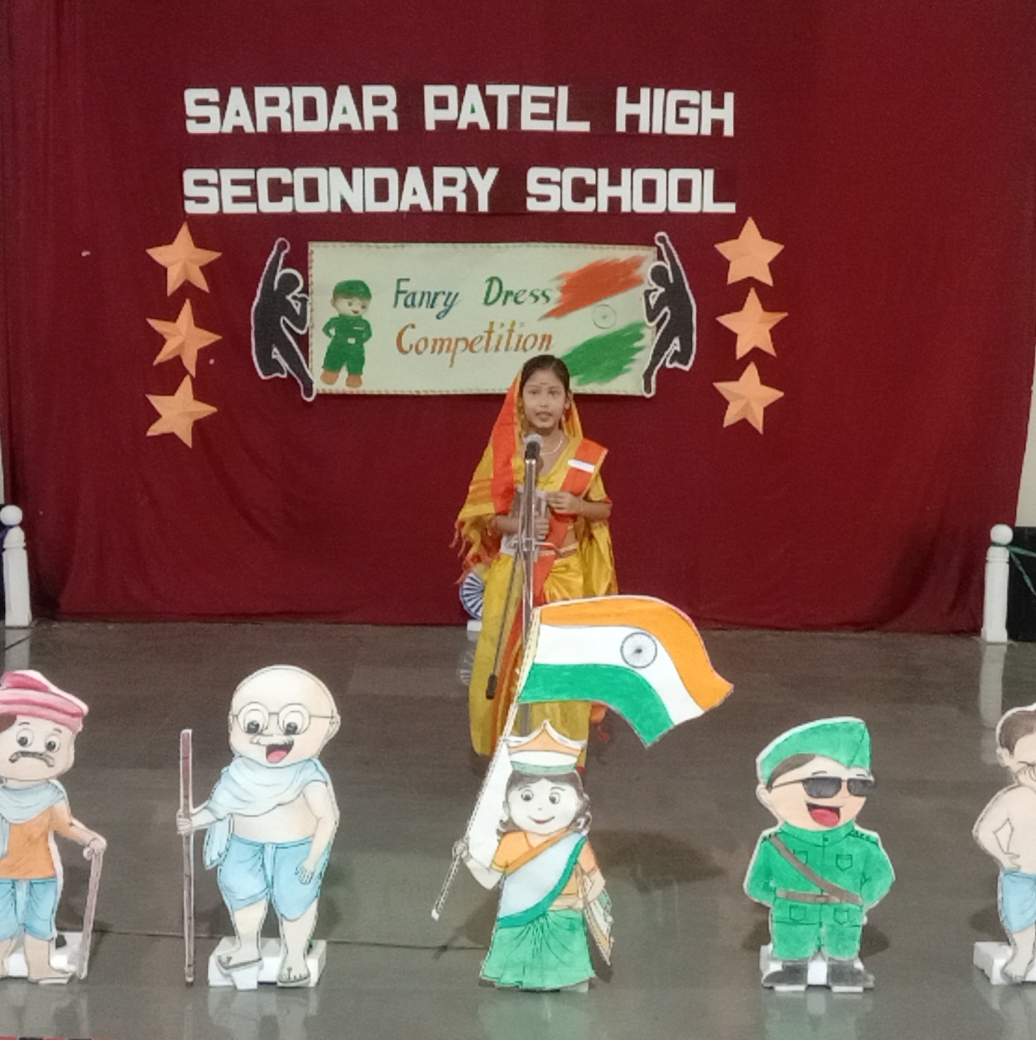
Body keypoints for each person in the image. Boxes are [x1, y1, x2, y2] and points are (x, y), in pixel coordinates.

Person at [456, 356, 616, 757]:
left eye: (553, 393)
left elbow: (604, 510)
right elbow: (485, 517)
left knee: (561, 663)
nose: (543, 402)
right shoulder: (506, 452)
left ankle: (559, 755)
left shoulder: (583, 454)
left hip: (565, 573)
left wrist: (577, 506)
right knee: (505, 658)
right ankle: (506, 752)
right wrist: (520, 525)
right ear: (520, 399)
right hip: (514, 573)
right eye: (534, 392)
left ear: (567, 401)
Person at [176, 666, 340, 986]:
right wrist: (193, 821)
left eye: (292, 724)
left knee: (295, 900)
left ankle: (294, 956)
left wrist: (312, 858)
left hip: (295, 848)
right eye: (254, 723)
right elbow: (219, 808)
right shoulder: (238, 774)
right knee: (242, 894)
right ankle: (247, 947)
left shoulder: (307, 775)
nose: (272, 735)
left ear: (328, 727)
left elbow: (327, 818)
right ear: (233, 724)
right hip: (243, 845)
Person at [454, 722, 609, 991]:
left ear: (578, 803)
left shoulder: (574, 844)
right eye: (526, 796)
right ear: (507, 804)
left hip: (564, 918)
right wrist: (467, 857)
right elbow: (490, 880)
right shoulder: (511, 842)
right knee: (513, 972)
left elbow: (596, 880)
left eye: (554, 798)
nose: (540, 807)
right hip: (517, 921)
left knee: (570, 978)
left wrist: (579, 902)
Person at [744, 717, 894, 992]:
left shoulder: (863, 844)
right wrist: (782, 902)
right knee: (792, 965)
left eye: (858, 785)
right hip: (792, 920)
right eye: (821, 784)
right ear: (767, 794)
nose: (841, 797)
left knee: (843, 964)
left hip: (843, 920)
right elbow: (755, 884)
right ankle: (793, 968)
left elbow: (882, 876)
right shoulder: (773, 845)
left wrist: (859, 902)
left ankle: (842, 968)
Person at [0, 670, 106, 983]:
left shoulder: (51, 794)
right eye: (23, 739)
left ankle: (40, 968)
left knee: (40, 923)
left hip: (41, 872)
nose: (36, 752)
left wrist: (90, 838)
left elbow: (65, 824)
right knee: (2, 924)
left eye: (52, 743)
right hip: (3, 872)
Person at [974, 704, 1036, 982]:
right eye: (1030, 767)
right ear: (1006, 758)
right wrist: (1002, 855)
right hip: (1020, 872)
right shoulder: (1012, 799)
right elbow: (985, 830)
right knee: (1018, 916)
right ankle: (1023, 954)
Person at [320, 280, 372, 388]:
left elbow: (368, 333)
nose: (356, 308)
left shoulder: (363, 323)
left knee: (356, 361)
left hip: (356, 348)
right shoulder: (336, 321)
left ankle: (354, 376)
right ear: (333, 303)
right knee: (333, 358)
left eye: (362, 306)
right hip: (338, 345)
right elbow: (326, 329)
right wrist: (333, 336)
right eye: (350, 303)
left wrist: (360, 340)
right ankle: (330, 373)